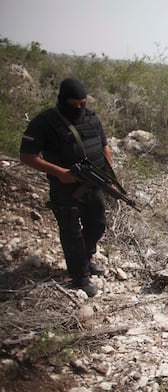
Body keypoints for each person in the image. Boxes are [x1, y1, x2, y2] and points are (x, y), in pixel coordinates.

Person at [20, 78, 111, 297]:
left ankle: (85, 259)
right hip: (64, 188)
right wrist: (60, 173)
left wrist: (108, 174)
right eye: (74, 103)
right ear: (63, 100)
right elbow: (27, 156)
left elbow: (103, 145)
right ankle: (79, 277)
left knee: (97, 225)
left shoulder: (91, 117)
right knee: (71, 233)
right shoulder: (45, 122)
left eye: (83, 102)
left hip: (93, 184)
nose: (79, 108)